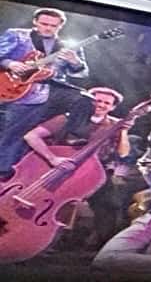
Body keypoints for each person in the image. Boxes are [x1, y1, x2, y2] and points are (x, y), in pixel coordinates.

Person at [0, 10, 92, 174]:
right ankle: (4, 172)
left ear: (60, 26)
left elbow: (81, 74)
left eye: (53, 26)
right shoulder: (17, 35)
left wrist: (75, 61)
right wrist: (10, 63)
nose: (48, 28)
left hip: (51, 89)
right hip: (20, 91)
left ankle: (74, 135)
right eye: (44, 24)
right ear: (35, 21)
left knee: (83, 98)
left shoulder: (68, 46)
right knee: (14, 134)